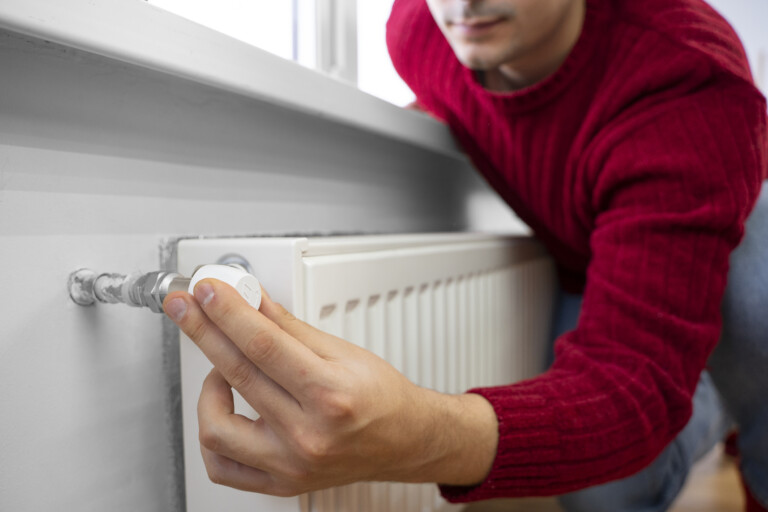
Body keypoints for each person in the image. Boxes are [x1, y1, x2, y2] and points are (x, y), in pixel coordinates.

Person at [162, 0, 768, 510]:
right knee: (603, 491)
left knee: (753, 316)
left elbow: (632, 385)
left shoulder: (689, 82)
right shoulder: (420, 31)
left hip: (713, 213)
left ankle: (732, 404)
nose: (463, 2)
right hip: (583, 250)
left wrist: (416, 437)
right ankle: (702, 392)